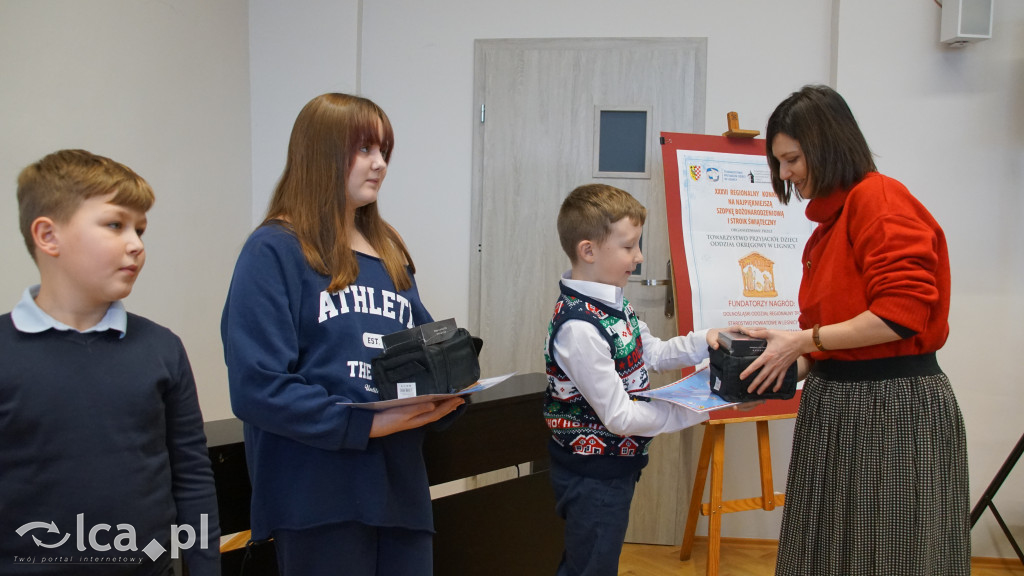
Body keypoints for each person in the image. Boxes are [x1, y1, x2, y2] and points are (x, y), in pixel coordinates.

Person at [221, 93, 464, 576]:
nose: (379, 165)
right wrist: (364, 424)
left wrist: (451, 384)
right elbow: (257, 386)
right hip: (318, 496)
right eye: (364, 150)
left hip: (399, 490)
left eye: (384, 152)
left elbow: (422, 352)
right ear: (321, 153)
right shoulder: (274, 250)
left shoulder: (388, 250)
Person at [741, 85, 969, 576]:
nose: (785, 174)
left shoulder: (879, 199)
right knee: (827, 551)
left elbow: (900, 314)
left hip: (892, 410)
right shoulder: (831, 224)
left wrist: (803, 342)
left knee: (886, 555)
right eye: (779, 162)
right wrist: (770, 361)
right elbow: (827, 340)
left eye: (793, 159)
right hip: (840, 406)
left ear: (826, 146)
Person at [0, 149, 221, 575]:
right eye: (115, 225)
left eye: (140, 229)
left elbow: (192, 477)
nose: (136, 244)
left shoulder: (162, 349)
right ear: (48, 236)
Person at [544, 183, 740, 576]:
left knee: (593, 559)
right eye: (629, 246)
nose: (639, 257)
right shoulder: (579, 327)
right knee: (593, 566)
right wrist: (693, 410)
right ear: (589, 250)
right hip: (592, 474)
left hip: (615, 466)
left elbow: (652, 353)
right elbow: (620, 417)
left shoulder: (614, 305)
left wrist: (706, 341)